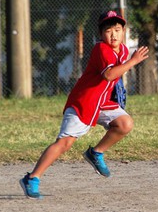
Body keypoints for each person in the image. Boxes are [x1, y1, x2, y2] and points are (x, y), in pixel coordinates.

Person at [19, 10, 149, 199]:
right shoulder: (101, 49)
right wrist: (133, 62)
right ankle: (32, 178)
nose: (113, 34)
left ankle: (96, 153)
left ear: (124, 32)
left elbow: (114, 79)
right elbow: (109, 74)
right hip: (84, 102)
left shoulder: (124, 51)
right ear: (101, 34)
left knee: (124, 124)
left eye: (117, 29)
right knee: (64, 143)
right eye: (108, 30)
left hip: (102, 102)